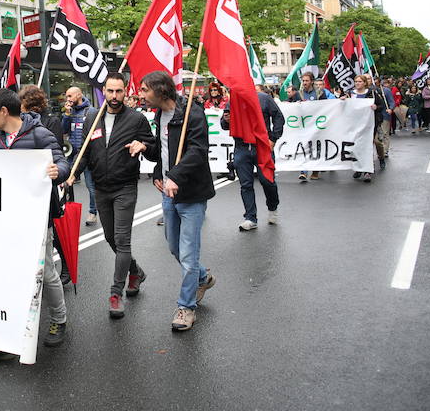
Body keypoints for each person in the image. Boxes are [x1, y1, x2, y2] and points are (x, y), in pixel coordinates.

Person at [0, 88, 69, 365]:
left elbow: (62, 162)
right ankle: (5, 337)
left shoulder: (39, 134)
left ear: (3, 112)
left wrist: (58, 171)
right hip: (6, 218)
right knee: (6, 272)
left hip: (36, 216)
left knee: (44, 272)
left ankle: (59, 319)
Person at [69, 73, 156, 318]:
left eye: (119, 92)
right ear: (103, 91)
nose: (114, 97)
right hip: (100, 188)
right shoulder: (91, 118)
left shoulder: (137, 119)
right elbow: (84, 153)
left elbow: (155, 151)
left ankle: (115, 293)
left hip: (125, 187)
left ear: (125, 92)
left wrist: (145, 146)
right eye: (110, 91)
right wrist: (72, 173)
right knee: (110, 238)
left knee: (122, 238)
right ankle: (135, 271)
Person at [138, 71, 216, 331]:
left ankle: (186, 307)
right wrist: (150, 158)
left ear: (160, 91)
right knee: (174, 248)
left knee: (188, 254)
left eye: (144, 89)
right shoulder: (160, 115)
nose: (140, 94)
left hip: (191, 194)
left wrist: (175, 176)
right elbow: (164, 151)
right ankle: (202, 278)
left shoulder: (191, 113)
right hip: (169, 193)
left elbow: (197, 151)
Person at [20, 85, 70, 285]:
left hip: (51, 180)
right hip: (32, 184)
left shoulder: (51, 122)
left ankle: (65, 265)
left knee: (55, 229)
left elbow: (54, 150)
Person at [221, 84, 284, 230]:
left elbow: (278, 117)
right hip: (241, 148)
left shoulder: (264, 99)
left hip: (262, 147)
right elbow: (224, 125)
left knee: (267, 180)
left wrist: (273, 138)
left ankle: (272, 207)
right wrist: (226, 120)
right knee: (246, 184)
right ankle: (250, 217)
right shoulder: (232, 103)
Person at [62, 86, 98, 225]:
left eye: (70, 96)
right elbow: (64, 130)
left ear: (79, 95)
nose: (68, 99)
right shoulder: (69, 112)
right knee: (68, 184)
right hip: (72, 154)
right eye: (66, 96)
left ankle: (92, 212)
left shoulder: (91, 111)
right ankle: (69, 212)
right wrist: (66, 115)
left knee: (90, 185)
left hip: (87, 156)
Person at [297, 72, 327, 182]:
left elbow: (327, 106)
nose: (304, 83)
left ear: (311, 81)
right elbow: (292, 104)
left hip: (317, 125)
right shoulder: (299, 93)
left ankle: (315, 170)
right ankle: (303, 171)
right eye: (303, 81)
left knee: (316, 147)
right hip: (304, 124)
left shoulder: (319, 93)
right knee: (304, 146)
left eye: (306, 81)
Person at [350, 75, 378, 182]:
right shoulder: (351, 94)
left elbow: (380, 105)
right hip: (354, 125)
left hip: (368, 125)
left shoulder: (371, 93)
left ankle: (367, 171)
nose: (357, 83)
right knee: (356, 147)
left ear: (365, 83)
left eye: (360, 81)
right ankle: (358, 168)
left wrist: (376, 107)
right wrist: (343, 100)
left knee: (366, 146)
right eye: (356, 81)